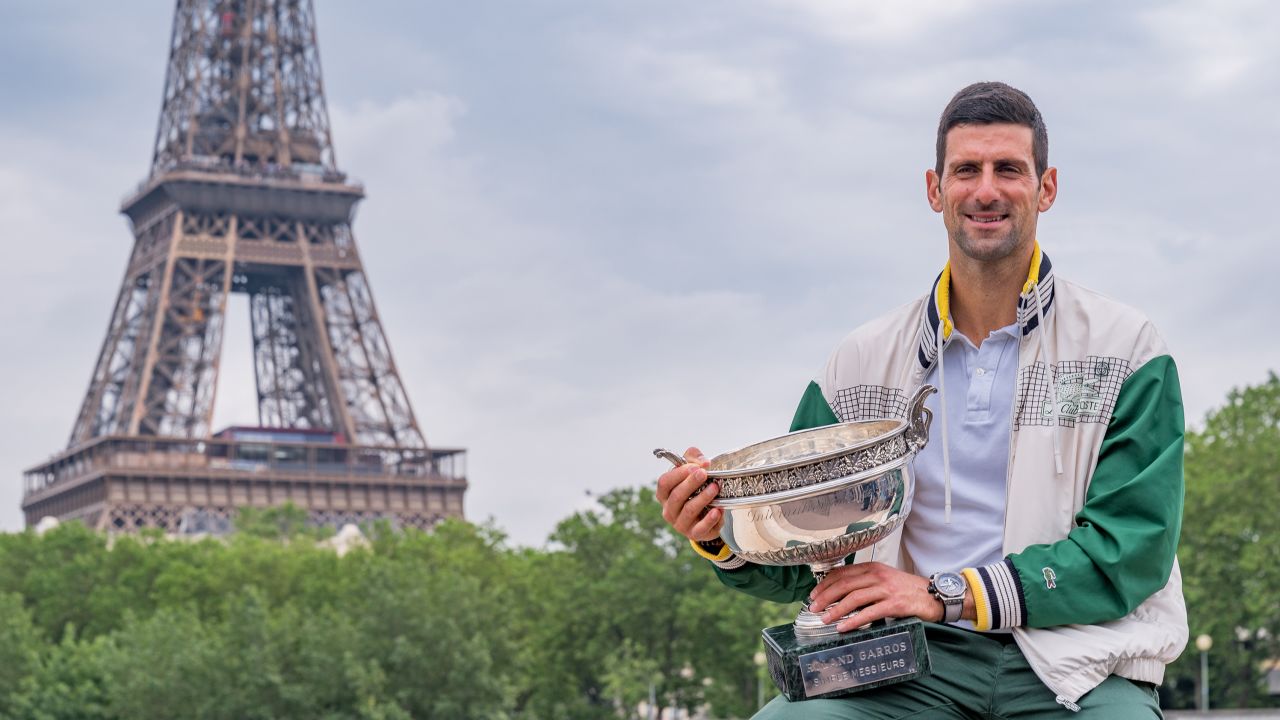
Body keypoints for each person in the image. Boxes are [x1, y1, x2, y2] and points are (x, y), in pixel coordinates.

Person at [656, 81, 1186, 718]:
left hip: (1080, 662)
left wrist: (943, 593)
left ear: (1045, 189)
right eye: (966, 170)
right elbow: (805, 560)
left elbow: (1129, 552)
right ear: (935, 189)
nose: (986, 190)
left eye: (1008, 170)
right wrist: (723, 532)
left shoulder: (1126, 349)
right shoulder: (859, 363)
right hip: (902, 664)